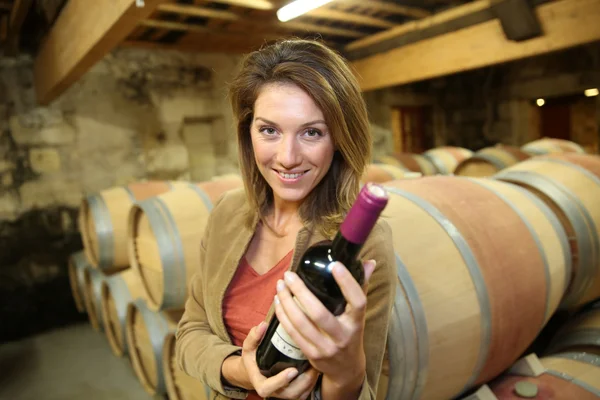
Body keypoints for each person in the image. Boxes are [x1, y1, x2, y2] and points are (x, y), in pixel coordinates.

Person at [175, 38, 396, 400]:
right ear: (248, 133)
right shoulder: (226, 213)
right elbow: (190, 333)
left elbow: (366, 388)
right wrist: (243, 372)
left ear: (339, 139)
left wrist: (346, 373)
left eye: (312, 132)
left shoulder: (362, 245)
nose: (288, 156)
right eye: (269, 130)